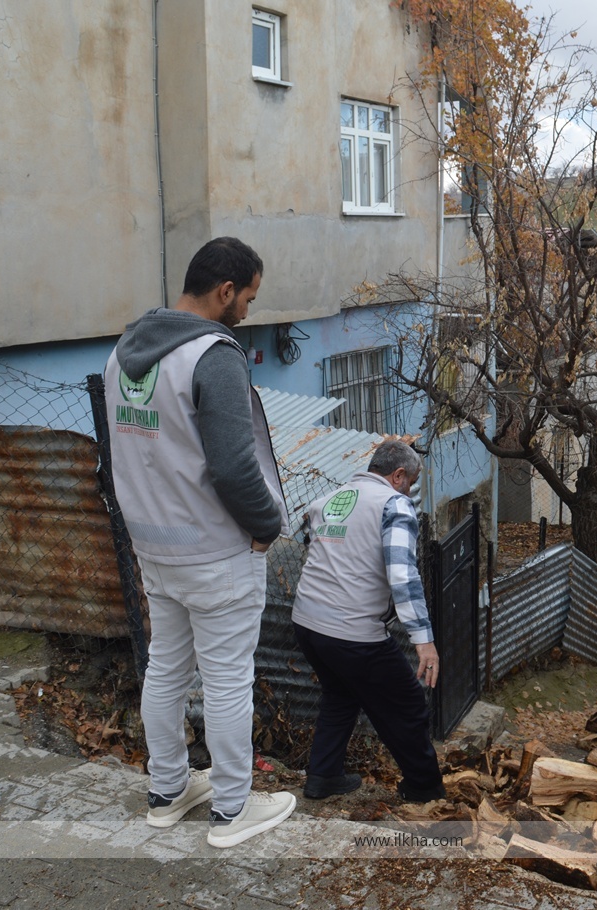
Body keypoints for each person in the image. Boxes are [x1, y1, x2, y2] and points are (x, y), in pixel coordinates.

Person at [104, 236, 296, 848]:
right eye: (248, 298)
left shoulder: (123, 355)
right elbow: (235, 469)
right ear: (225, 291)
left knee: (164, 669)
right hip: (215, 553)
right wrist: (267, 527)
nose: (247, 311)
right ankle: (232, 811)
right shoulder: (213, 355)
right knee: (227, 681)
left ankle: (167, 793)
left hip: (154, 548)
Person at [291, 440, 447, 803]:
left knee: (340, 694)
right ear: (397, 476)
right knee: (408, 703)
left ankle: (323, 776)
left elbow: (307, 539)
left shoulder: (331, 499)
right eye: (410, 482)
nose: (410, 490)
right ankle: (424, 789)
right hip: (352, 631)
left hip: (307, 623)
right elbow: (403, 573)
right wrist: (424, 641)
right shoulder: (394, 504)